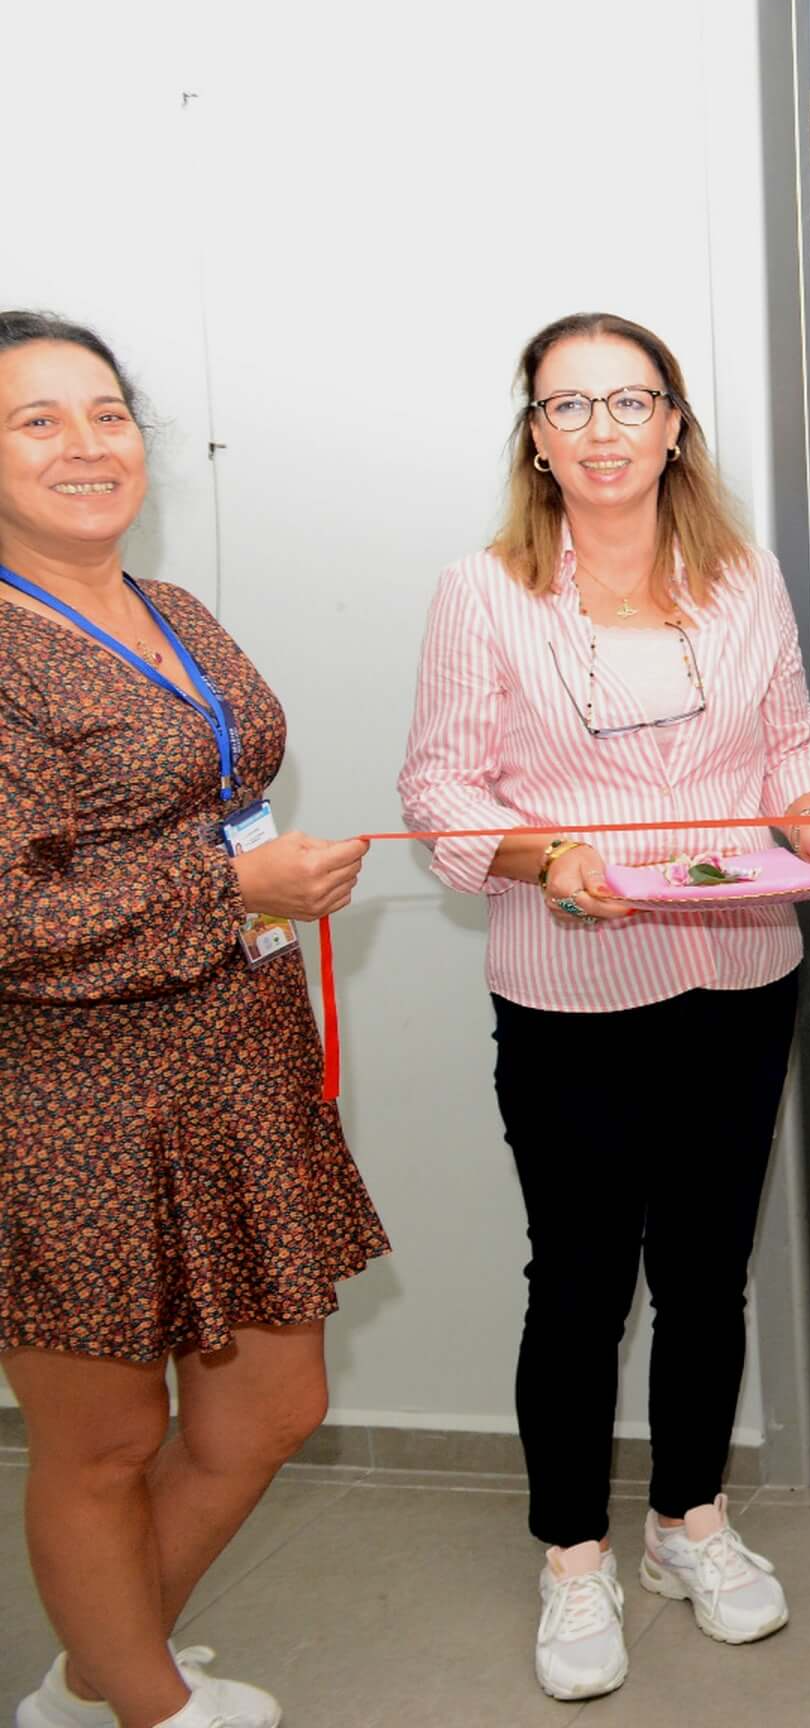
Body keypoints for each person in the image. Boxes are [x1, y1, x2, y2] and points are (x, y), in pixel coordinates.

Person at [396, 311, 810, 1702]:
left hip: (737, 974)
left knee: (711, 1273)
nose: (601, 430)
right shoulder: (483, 594)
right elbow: (440, 794)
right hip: (572, 989)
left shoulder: (743, 577)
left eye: (630, 401)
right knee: (583, 1284)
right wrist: (549, 858)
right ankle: (572, 1556)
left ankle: (688, 1524)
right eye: (570, 406)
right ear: (534, 436)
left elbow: (789, 739)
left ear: (674, 426)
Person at [2, 312, 384, 1728]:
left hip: (233, 1072)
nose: (87, 446)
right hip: (69, 1101)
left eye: (106, 414)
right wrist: (233, 880)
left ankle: (100, 1670)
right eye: (37, 421)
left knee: (269, 1407)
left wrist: (256, 889)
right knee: (102, 1447)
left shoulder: (171, 611)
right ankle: (144, 1708)